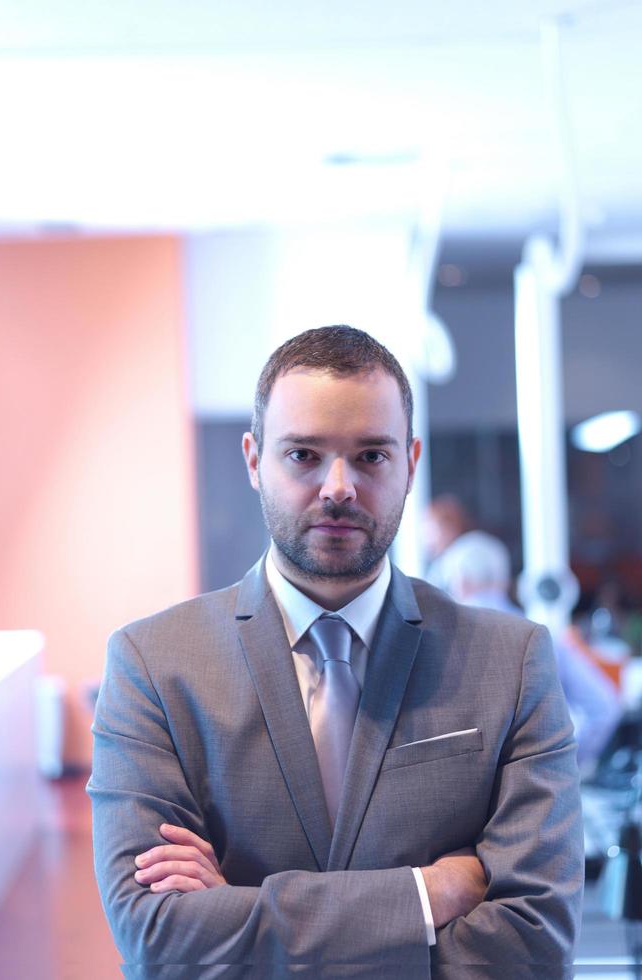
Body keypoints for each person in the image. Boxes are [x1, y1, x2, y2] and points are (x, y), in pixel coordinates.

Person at [88, 325, 583, 979]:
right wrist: (426, 896)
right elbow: (157, 938)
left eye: (372, 456)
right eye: (303, 455)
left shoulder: (511, 660)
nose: (339, 487)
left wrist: (239, 919)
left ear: (410, 460)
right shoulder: (152, 664)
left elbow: (533, 943)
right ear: (253, 459)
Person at [439, 528, 621, 773]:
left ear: (459, 579)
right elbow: (604, 706)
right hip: (539, 789)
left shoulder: (440, 643)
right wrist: (563, 764)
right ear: (505, 581)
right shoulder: (544, 635)